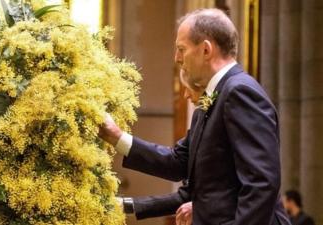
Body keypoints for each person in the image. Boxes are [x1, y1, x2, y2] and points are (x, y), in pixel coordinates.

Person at [100, 8, 291, 225]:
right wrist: (116, 137)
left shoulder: (239, 92)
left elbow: (262, 183)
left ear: (206, 50)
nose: (177, 58)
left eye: (181, 49)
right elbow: (179, 162)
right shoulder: (212, 97)